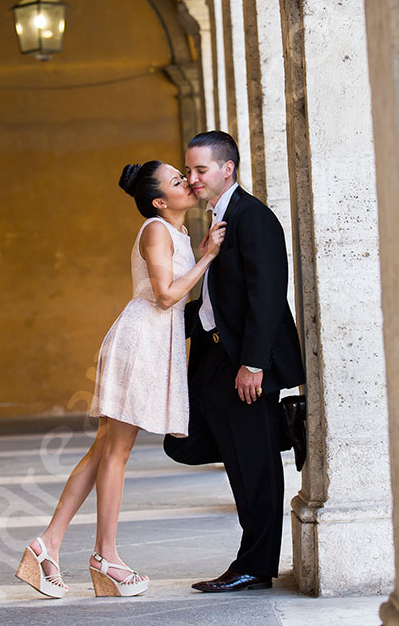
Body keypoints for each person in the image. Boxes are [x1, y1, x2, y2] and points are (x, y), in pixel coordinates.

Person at [15, 160, 226, 599]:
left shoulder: (179, 233)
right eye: (176, 180)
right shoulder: (155, 228)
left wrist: (200, 250)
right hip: (140, 341)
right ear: (158, 200)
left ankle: (47, 545)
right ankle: (105, 557)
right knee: (116, 453)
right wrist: (208, 258)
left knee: (103, 450)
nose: (187, 181)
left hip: (152, 341)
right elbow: (167, 295)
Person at [164, 132, 305, 592]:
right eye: (189, 170)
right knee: (181, 440)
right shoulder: (218, 222)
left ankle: (255, 565)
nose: (192, 178)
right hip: (213, 357)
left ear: (228, 168)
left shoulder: (254, 218)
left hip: (243, 364)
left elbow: (267, 298)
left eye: (200, 170)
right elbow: (215, 296)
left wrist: (254, 364)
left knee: (255, 467)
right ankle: (280, 431)